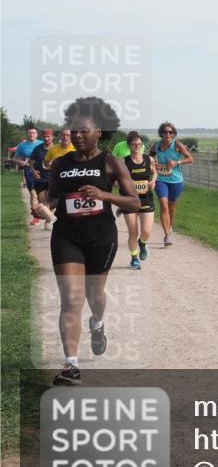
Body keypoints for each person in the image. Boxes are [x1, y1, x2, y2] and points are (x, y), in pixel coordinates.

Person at [31, 112, 140, 385]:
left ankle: (98, 323)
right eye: (74, 132)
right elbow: (55, 195)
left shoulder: (111, 162)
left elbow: (134, 202)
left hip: (101, 237)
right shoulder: (60, 163)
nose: (78, 136)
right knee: (71, 298)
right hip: (67, 236)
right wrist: (46, 206)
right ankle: (71, 366)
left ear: (98, 133)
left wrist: (104, 195)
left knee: (95, 294)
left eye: (84, 132)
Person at [152, 121, 193, 247]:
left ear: (173, 134)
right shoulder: (156, 146)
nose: (167, 134)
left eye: (170, 132)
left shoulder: (177, 145)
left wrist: (177, 162)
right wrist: (154, 163)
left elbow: (190, 158)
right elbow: (150, 158)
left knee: (172, 207)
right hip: (161, 180)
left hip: (176, 181)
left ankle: (170, 226)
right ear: (161, 134)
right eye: (165, 132)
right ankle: (167, 236)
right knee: (164, 206)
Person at [122, 131, 157, 269]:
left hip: (146, 199)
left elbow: (154, 172)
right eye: (134, 144)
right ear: (129, 146)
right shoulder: (124, 162)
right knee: (133, 231)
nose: (137, 146)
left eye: (139, 144)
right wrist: (125, 184)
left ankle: (142, 243)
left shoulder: (149, 160)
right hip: (129, 200)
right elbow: (116, 181)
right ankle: (134, 258)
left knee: (146, 232)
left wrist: (153, 181)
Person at [29, 130, 58, 230]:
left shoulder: (56, 149)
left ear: (52, 137)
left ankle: (49, 222)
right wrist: (33, 171)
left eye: (48, 136)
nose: (46, 138)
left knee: (51, 202)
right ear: (42, 137)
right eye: (45, 136)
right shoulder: (37, 149)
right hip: (40, 179)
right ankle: (50, 219)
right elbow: (30, 161)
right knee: (43, 204)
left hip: (53, 179)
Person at [14, 127, 42, 223]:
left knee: (42, 192)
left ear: (37, 134)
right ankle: (36, 217)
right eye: (30, 133)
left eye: (33, 133)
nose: (32, 135)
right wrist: (20, 162)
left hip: (41, 170)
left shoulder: (41, 144)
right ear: (27, 134)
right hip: (28, 170)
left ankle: (44, 212)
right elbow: (16, 158)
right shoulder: (22, 146)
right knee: (33, 193)